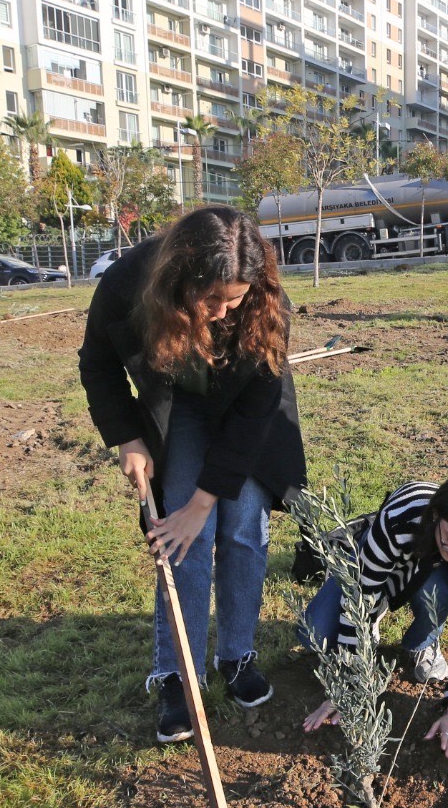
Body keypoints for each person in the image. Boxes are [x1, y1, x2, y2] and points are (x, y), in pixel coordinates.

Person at [79, 206, 307, 744]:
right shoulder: (127, 284)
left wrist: (204, 503)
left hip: (247, 413)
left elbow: (257, 410)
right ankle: (178, 675)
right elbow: (98, 364)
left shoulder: (266, 304)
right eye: (211, 298)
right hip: (176, 406)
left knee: (243, 529)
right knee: (181, 539)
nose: (225, 312)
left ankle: (236, 655)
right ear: (179, 278)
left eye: (236, 298)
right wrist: (128, 439)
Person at [300, 474, 448, 761]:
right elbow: (359, 597)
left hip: (436, 576)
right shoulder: (399, 519)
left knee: (437, 588)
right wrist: (348, 688)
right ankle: (372, 629)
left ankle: (424, 641)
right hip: (387, 563)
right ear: (437, 516)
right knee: (315, 632)